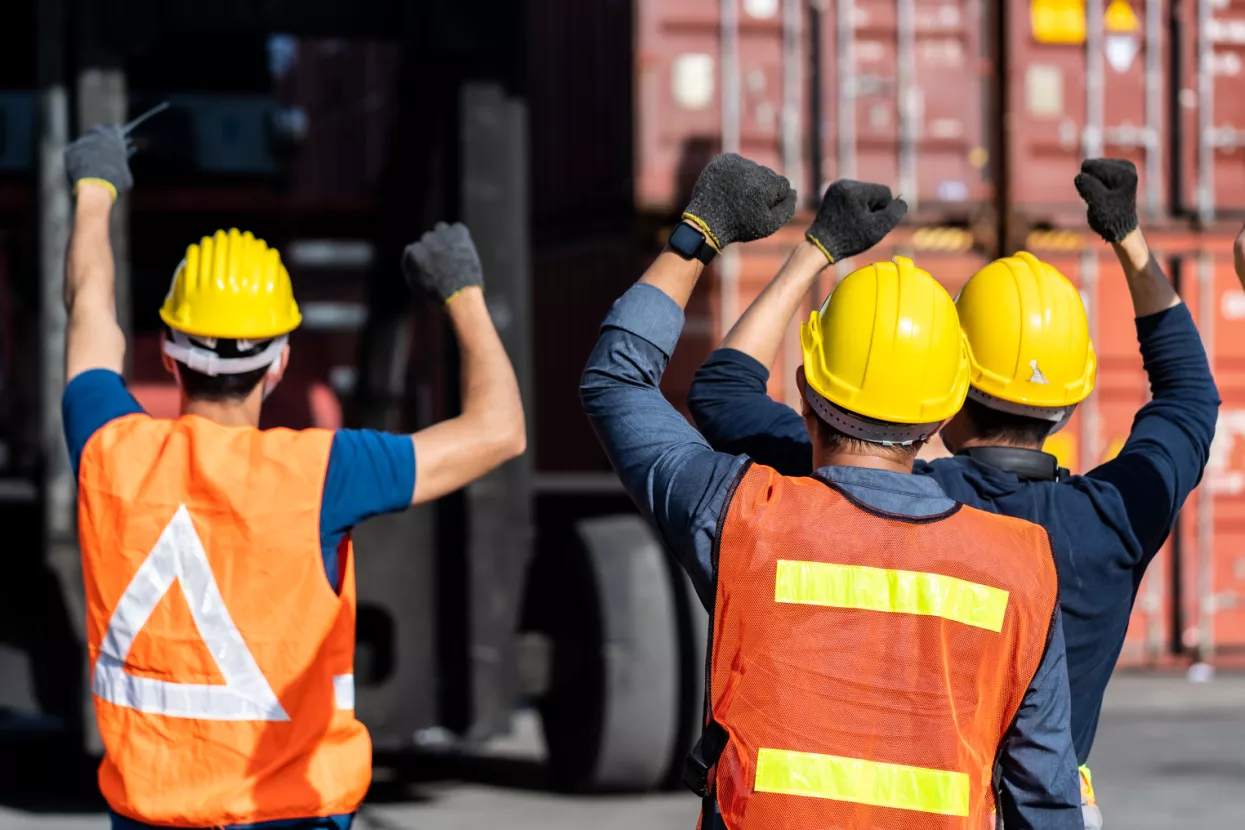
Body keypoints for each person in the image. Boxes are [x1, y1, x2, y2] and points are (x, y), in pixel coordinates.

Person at [685, 159, 1220, 828]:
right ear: (1074, 400)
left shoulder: (882, 489)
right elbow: (1189, 397)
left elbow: (721, 392)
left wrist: (815, 252)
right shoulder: (1111, 524)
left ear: (950, 387)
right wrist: (1128, 238)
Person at [581, 153, 1081, 828]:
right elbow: (1041, 796)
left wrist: (697, 233)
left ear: (805, 392)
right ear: (942, 415)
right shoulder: (1022, 566)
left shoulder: (740, 517)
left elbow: (616, 380)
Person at [61, 124, 525, 829]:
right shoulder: (323, 473)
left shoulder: (107, 450)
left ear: (168, 357)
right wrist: (461, 291)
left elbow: (89, 308)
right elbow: (499, 432)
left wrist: (94, 188)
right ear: (279, 365)